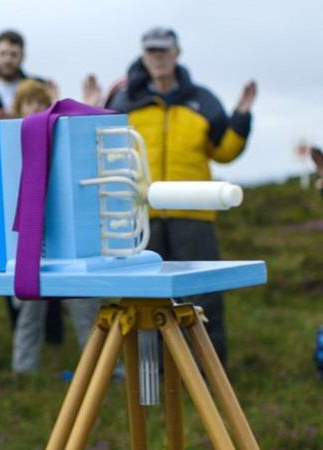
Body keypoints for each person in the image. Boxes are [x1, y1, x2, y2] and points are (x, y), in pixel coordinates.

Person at [104, 27, 258, 364]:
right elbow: (108, 149)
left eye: (164, 50)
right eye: (152, 51)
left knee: (203, 296)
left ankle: (208, 371)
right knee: (146, 298)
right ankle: (152, 373)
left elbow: (223, 151)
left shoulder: (204, 100)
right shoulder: (124, 100)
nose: (158, 57)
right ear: (144, 56)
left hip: (194, 214)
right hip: (140, 217)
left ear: (177, 53)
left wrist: (241, 119)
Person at [6, 80, 103, 374]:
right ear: (19, 108)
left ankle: (101, 367)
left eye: (41, 103)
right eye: (29, 103)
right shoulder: (11, 143)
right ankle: (23, 372)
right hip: (29, 240)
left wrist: (88, 104)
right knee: (29, 309)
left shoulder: (62, 136)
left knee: (84, 303)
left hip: (67, 236)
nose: (35, 108)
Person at [0, 30, 44, 119]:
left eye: (13, 54)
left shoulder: (39, 87)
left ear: (22, 56)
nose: (7, 60)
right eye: (3, 54)